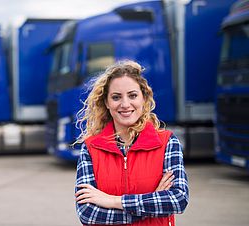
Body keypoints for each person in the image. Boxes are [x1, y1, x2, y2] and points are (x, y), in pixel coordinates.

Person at [74, 60, 189, 226]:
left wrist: (113, 201)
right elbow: (87, 214)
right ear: (106, 103)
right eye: (116, 97)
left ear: (144, 98)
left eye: (133, 95)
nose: (125, 104)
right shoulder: (91, 148)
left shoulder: (167, 143)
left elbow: (178, 199)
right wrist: (150, 206)